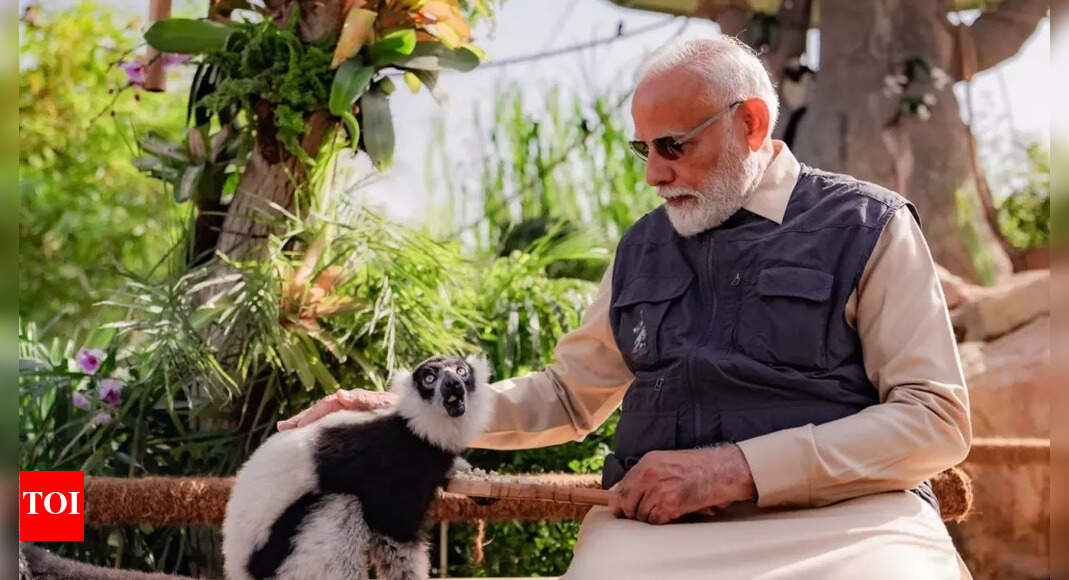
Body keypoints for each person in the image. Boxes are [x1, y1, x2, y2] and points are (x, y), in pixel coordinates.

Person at [278, 37, 972, 579]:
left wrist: (733, 468)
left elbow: (934, 420)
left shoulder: (868, 225)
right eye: (643, 149)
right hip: (656, 539)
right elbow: (567, 394)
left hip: (854, 528)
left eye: (674, 145)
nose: (652, 173)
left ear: (751, 123)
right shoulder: (641, 245)